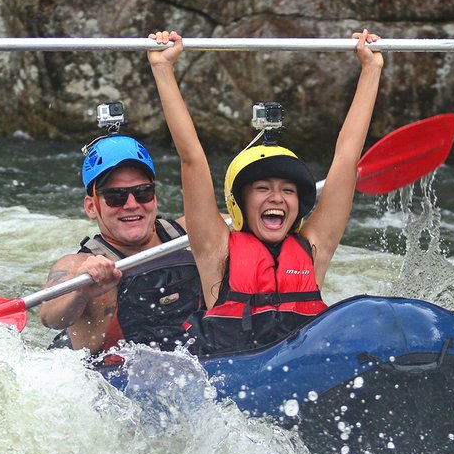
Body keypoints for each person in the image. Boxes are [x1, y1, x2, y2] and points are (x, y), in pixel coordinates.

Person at [147, 29, 383, 356]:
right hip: (230, 386)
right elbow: (192, 159)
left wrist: (371, 70)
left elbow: (346, 159)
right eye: (262, 189)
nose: (277, 198)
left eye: (288, 190)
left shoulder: (314, 248)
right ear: (240, 203)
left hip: (297, 381)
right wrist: (163, 69)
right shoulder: (216, 250)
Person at [38, 134, 203, 356]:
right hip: (110, 376)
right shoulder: (79, 265)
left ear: (154, 198)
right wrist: (81, 291)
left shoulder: (194, 233)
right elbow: (49, 316)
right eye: (115, 197)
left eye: (143, 192)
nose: (132, 205)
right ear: (91, 207)